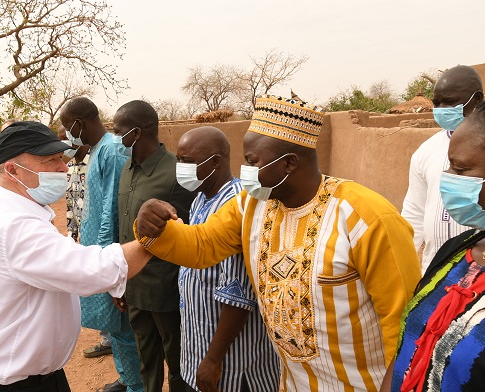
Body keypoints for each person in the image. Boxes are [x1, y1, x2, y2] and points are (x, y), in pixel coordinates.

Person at [135, 94, 422, 391]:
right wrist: (153, 227)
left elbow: (405, 321)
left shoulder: (366, 217)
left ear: (289, 163)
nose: (244, 171)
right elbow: (202, 245)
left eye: (252, 162)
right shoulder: (252, 205)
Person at [0, 121, 152, 392]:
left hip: (39, 378)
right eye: (50, 161)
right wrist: (152, 241)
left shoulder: (17, 211)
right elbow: (91, 270)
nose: (63, 168)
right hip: (14, 385)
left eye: (61, 158)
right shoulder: (14, 225)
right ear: (14, 170)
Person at [384, 101, 485, 392]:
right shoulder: (457, 251)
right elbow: (406, 347)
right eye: (449, 165)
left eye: (461, 169)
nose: (448, 178)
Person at [174, 126, 280, 392]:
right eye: (179, 160)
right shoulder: (201, 198)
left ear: (215, 162)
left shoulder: (235, 205)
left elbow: (237, 297)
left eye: (187, 161)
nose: (180, 167)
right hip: (198, 347)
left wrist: (212, 360)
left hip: (232, 364)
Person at [114, 100, 195, 392]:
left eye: (118, 131)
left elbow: (188, 234)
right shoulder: (127, 169)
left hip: (167, 289)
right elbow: (123, 226)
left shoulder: (176, 172)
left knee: (177, 363)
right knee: (146, 359)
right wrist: (119, 281)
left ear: (135, 133)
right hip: (134, 285)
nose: (115, 137)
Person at [60, 97, 140, 392]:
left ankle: (136, 384)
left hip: (109, 253)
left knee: (122, 326)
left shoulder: (112, 150)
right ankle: (127, 377)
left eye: (68, 127)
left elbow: (112, 207)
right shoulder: (98, 150)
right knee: (115, 326)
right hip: (99, 251)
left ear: (79, 124)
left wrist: (105, 256)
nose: (68, 133)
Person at [402, 65, 484, 273]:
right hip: (433, 267)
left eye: (450, 102)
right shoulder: (425, 151)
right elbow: (414, 212)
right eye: (437, 103)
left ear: (477, 100)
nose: (441, 109)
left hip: (476, 265)